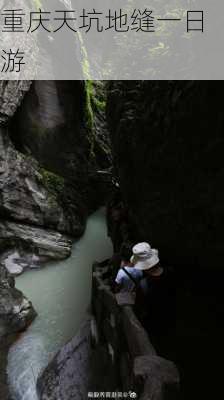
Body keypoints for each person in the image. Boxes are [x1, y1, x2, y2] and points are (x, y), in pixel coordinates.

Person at [131, 242, 176, 353]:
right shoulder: (171, 272)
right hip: (171, 316)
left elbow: (138, 308)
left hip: (153, 323)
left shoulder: (143, 285)